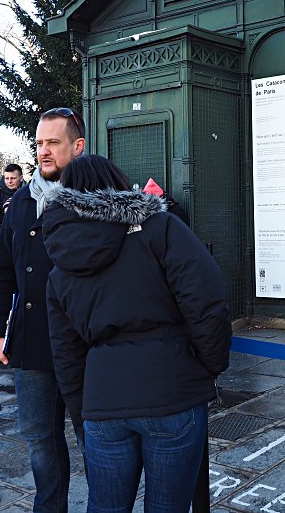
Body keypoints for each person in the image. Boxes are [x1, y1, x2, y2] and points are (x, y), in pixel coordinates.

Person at [44, 155, 231, 513]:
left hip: (102, 400)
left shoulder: (59, 261)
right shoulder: (161, 228)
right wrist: (210, 366)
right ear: (117, 183)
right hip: (172, 387)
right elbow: (206, 300)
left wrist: (83, 411)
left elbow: (65, 352)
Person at [0, 107, 86, 512]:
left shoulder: (94, 199)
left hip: (83, 342)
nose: (43, 151)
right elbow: (2, 269)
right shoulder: (21, 203)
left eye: (53, 143)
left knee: (93, 436)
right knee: (40, 438)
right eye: (39, 143)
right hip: (30, 341)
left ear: (77, 146)